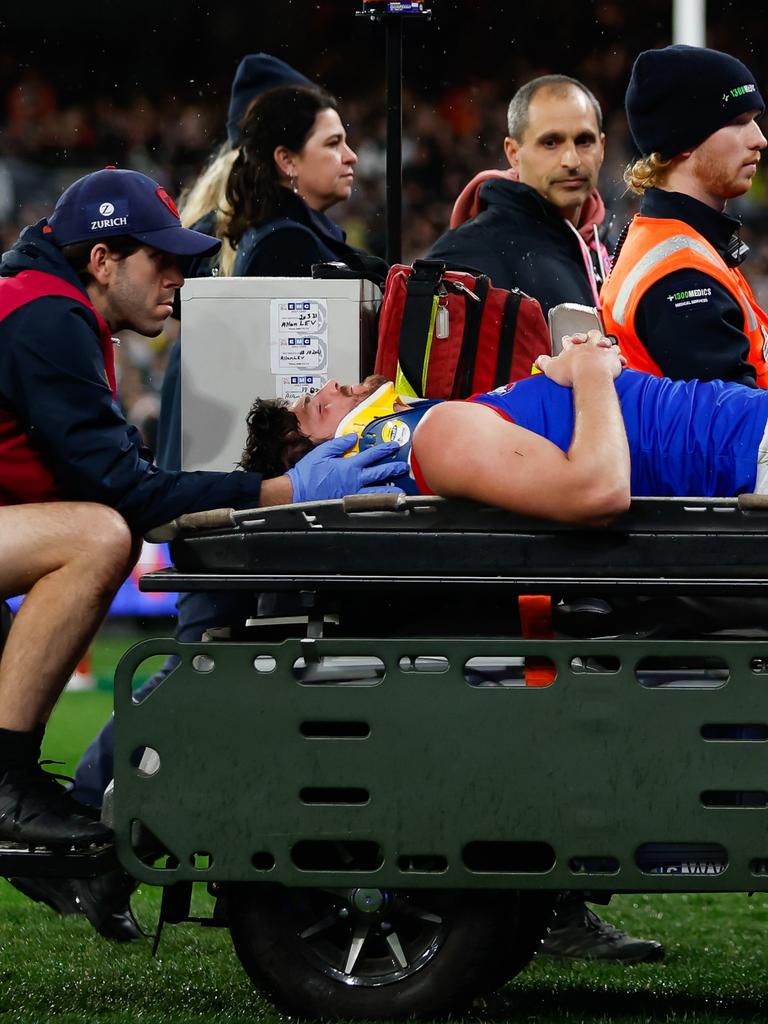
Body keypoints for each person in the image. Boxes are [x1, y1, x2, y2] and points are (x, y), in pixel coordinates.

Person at [0, 166, 405, 924]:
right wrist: (278, 492)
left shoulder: (47, 305)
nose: (178, 280)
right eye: (162, 261)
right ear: (102, 260)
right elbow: (127, 498)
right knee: (99, 537)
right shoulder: (46, 316)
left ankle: (37, 819)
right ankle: (9, 782)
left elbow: (124, 478)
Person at [242, 332, 768, 528]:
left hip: (736, 433)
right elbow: (597, 489)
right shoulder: (435, 439)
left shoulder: (436, 426)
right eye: (315, 405)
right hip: (738, 450)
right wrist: (587, 372)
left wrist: (567, 370)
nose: (332, 384)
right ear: (323, 455)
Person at [601, 45, 768, 386]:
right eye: (738, 122)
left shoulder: (678, 242)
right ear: (684, 140)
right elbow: (737, 432)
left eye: (755, 121)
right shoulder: (682, 278)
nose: (759, 139)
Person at [427, 74, 609, 316]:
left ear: (602, 148)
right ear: (513, 153)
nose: (572, 160)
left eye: (584, 141)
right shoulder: (473, 250)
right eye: (551, 143)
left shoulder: (608, 247)